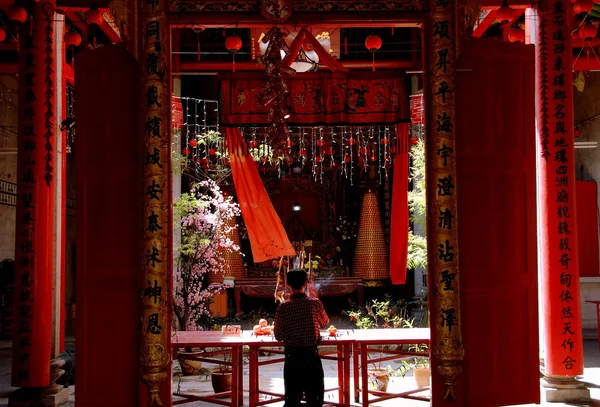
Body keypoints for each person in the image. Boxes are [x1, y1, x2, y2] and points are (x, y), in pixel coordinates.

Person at [273, 269, 329, 407]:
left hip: (292, 358)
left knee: (292, 400)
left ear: (287, 284)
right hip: (311, 357)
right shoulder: (315, 303)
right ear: (306, 283)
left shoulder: (283, 307)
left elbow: (278, 335)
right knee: (315, 400)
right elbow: (324, 323)